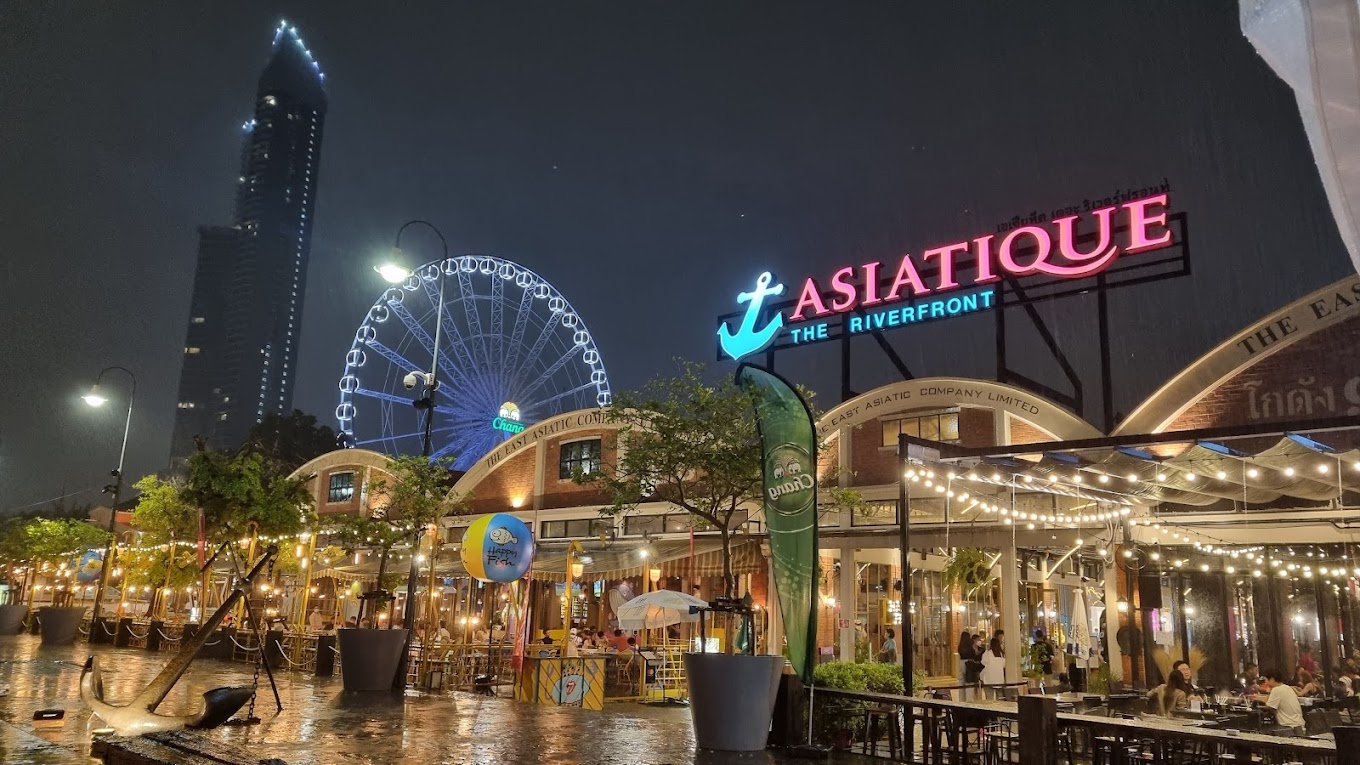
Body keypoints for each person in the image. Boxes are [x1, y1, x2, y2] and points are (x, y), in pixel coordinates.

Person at [1255, 668, 1305, 735]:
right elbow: (1270, 699)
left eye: (1266, 680)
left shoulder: (1276, 690)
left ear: (1272, 680)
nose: (1265, 683)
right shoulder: (1287, 687)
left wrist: (1258, 707)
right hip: (1299, 726)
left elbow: (1270, 707)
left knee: (1262, 732)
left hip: (1289, 728)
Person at [957, 631, 975, 699]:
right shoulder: (970, 646)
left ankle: (961, 700)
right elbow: (973, 654)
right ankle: (969, 700)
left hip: (961, 663)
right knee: (969, 683)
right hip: (969, 663)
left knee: (961, 683)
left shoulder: (960, 646)